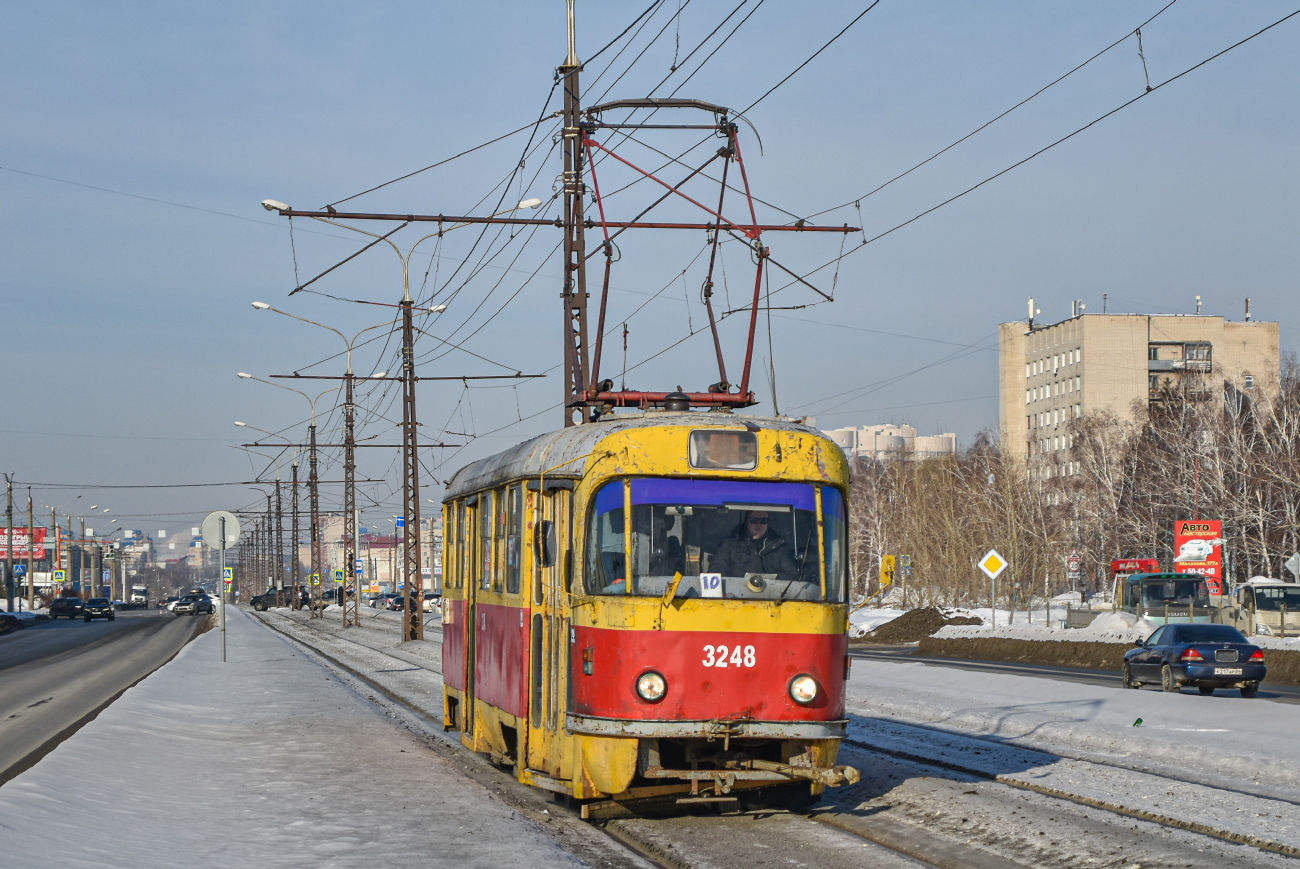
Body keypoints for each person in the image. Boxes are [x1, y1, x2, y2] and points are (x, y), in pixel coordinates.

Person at [709, 511, 803, 582]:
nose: (758, 525)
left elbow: (794, 576)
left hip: (774, 599)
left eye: (763, 521)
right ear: (746, 521)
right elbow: (716, 571)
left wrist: (768, 579)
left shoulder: (780, 546)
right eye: (754, 521)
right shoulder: (729, 545)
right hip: (735, 599)